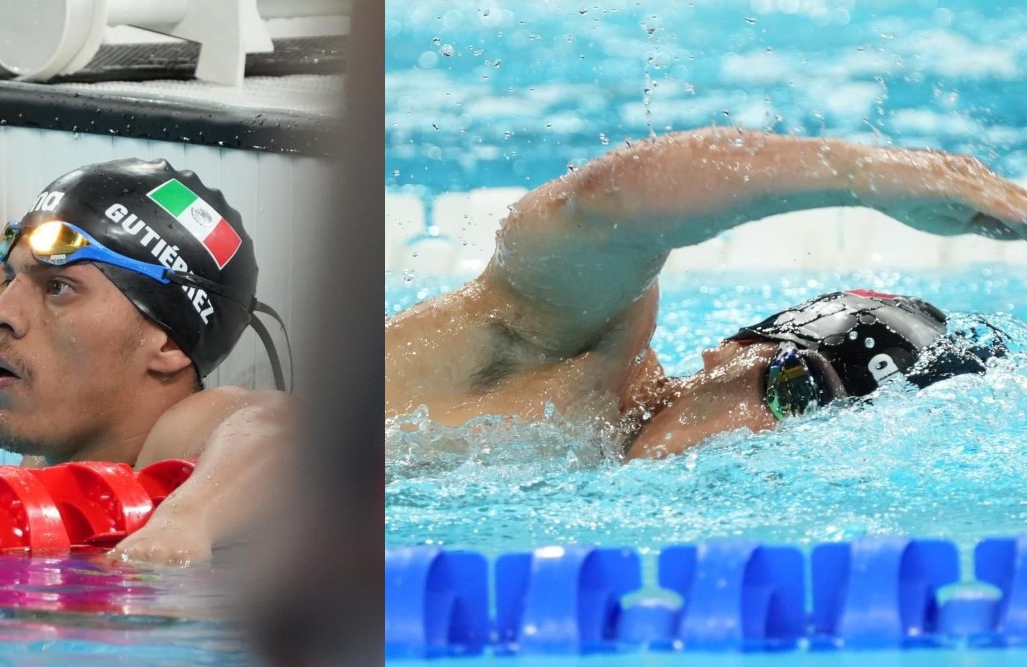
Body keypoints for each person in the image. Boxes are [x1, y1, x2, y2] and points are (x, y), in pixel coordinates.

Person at [0, 61, 296, 563]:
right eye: (11, 277)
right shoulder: (56, 390)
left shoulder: (174, 444)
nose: (1, 313)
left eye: (58, 287)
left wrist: (185, 522)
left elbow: (281, 427)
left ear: (166, 344)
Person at [386, 128, 1027, 459]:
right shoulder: (575, 351)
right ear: (733, 349)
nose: (763, 436)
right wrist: (863, 174)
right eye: (792, 391)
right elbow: (601, 204)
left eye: (813, 427)